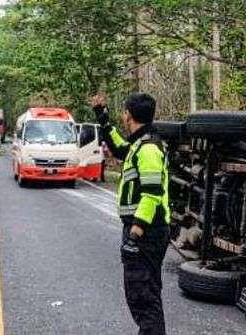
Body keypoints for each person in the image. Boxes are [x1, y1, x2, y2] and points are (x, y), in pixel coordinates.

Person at [91, 93, 170, 335]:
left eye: (124, 112)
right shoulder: (140, 144)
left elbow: (152, 194)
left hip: (146, 232)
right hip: (146, 230)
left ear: (129, 115)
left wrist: (135, 233)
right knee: (145, 294)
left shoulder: (148, 149)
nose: (123, 117)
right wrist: (102, 117)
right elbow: (119, 148)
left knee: (143, 297)